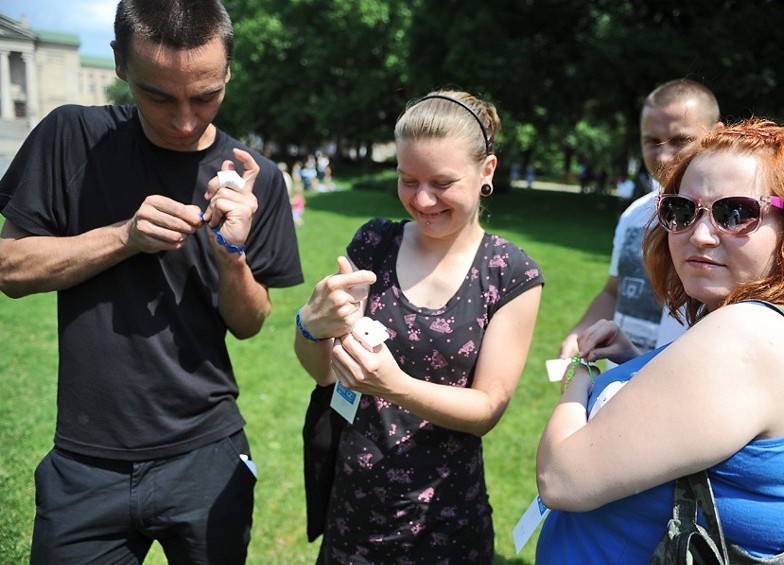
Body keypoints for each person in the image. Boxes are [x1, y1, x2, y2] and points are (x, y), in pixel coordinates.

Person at [0, 1, 303, 562]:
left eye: (206, 94)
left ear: (229, 70)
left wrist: (232, 251)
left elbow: (251, 322)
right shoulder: (73, 136)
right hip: (88, 461)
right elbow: (9, 269)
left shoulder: (254, 176)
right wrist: (124, 236)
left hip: (208, 453)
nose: (185, 120)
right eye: (159, 95)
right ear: (120, 63)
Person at [536, 119, 784, 562]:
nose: (700, 235)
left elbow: (561, 479)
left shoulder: (744, 339)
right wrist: (638, 366)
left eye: (736, 213)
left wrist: (580, 377)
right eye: (681, 211)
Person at [294, 90, 544, 563]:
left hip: (445, 522)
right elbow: (323, 373)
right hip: (355, 510)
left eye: (441, 182)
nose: (422, 199)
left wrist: (395, 386)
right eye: (407, 180)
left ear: (486, 171)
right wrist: (310, 327)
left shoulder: (510, 273)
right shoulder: (373, 242)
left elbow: (488, 407)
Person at [560, 79, 722, 361]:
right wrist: (580, 332)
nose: (662, 155)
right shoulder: (635, 215)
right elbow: (613, 291)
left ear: (717, 136)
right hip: (617, 388)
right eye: (651, 141)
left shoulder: (728, 225)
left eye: (679, 140)